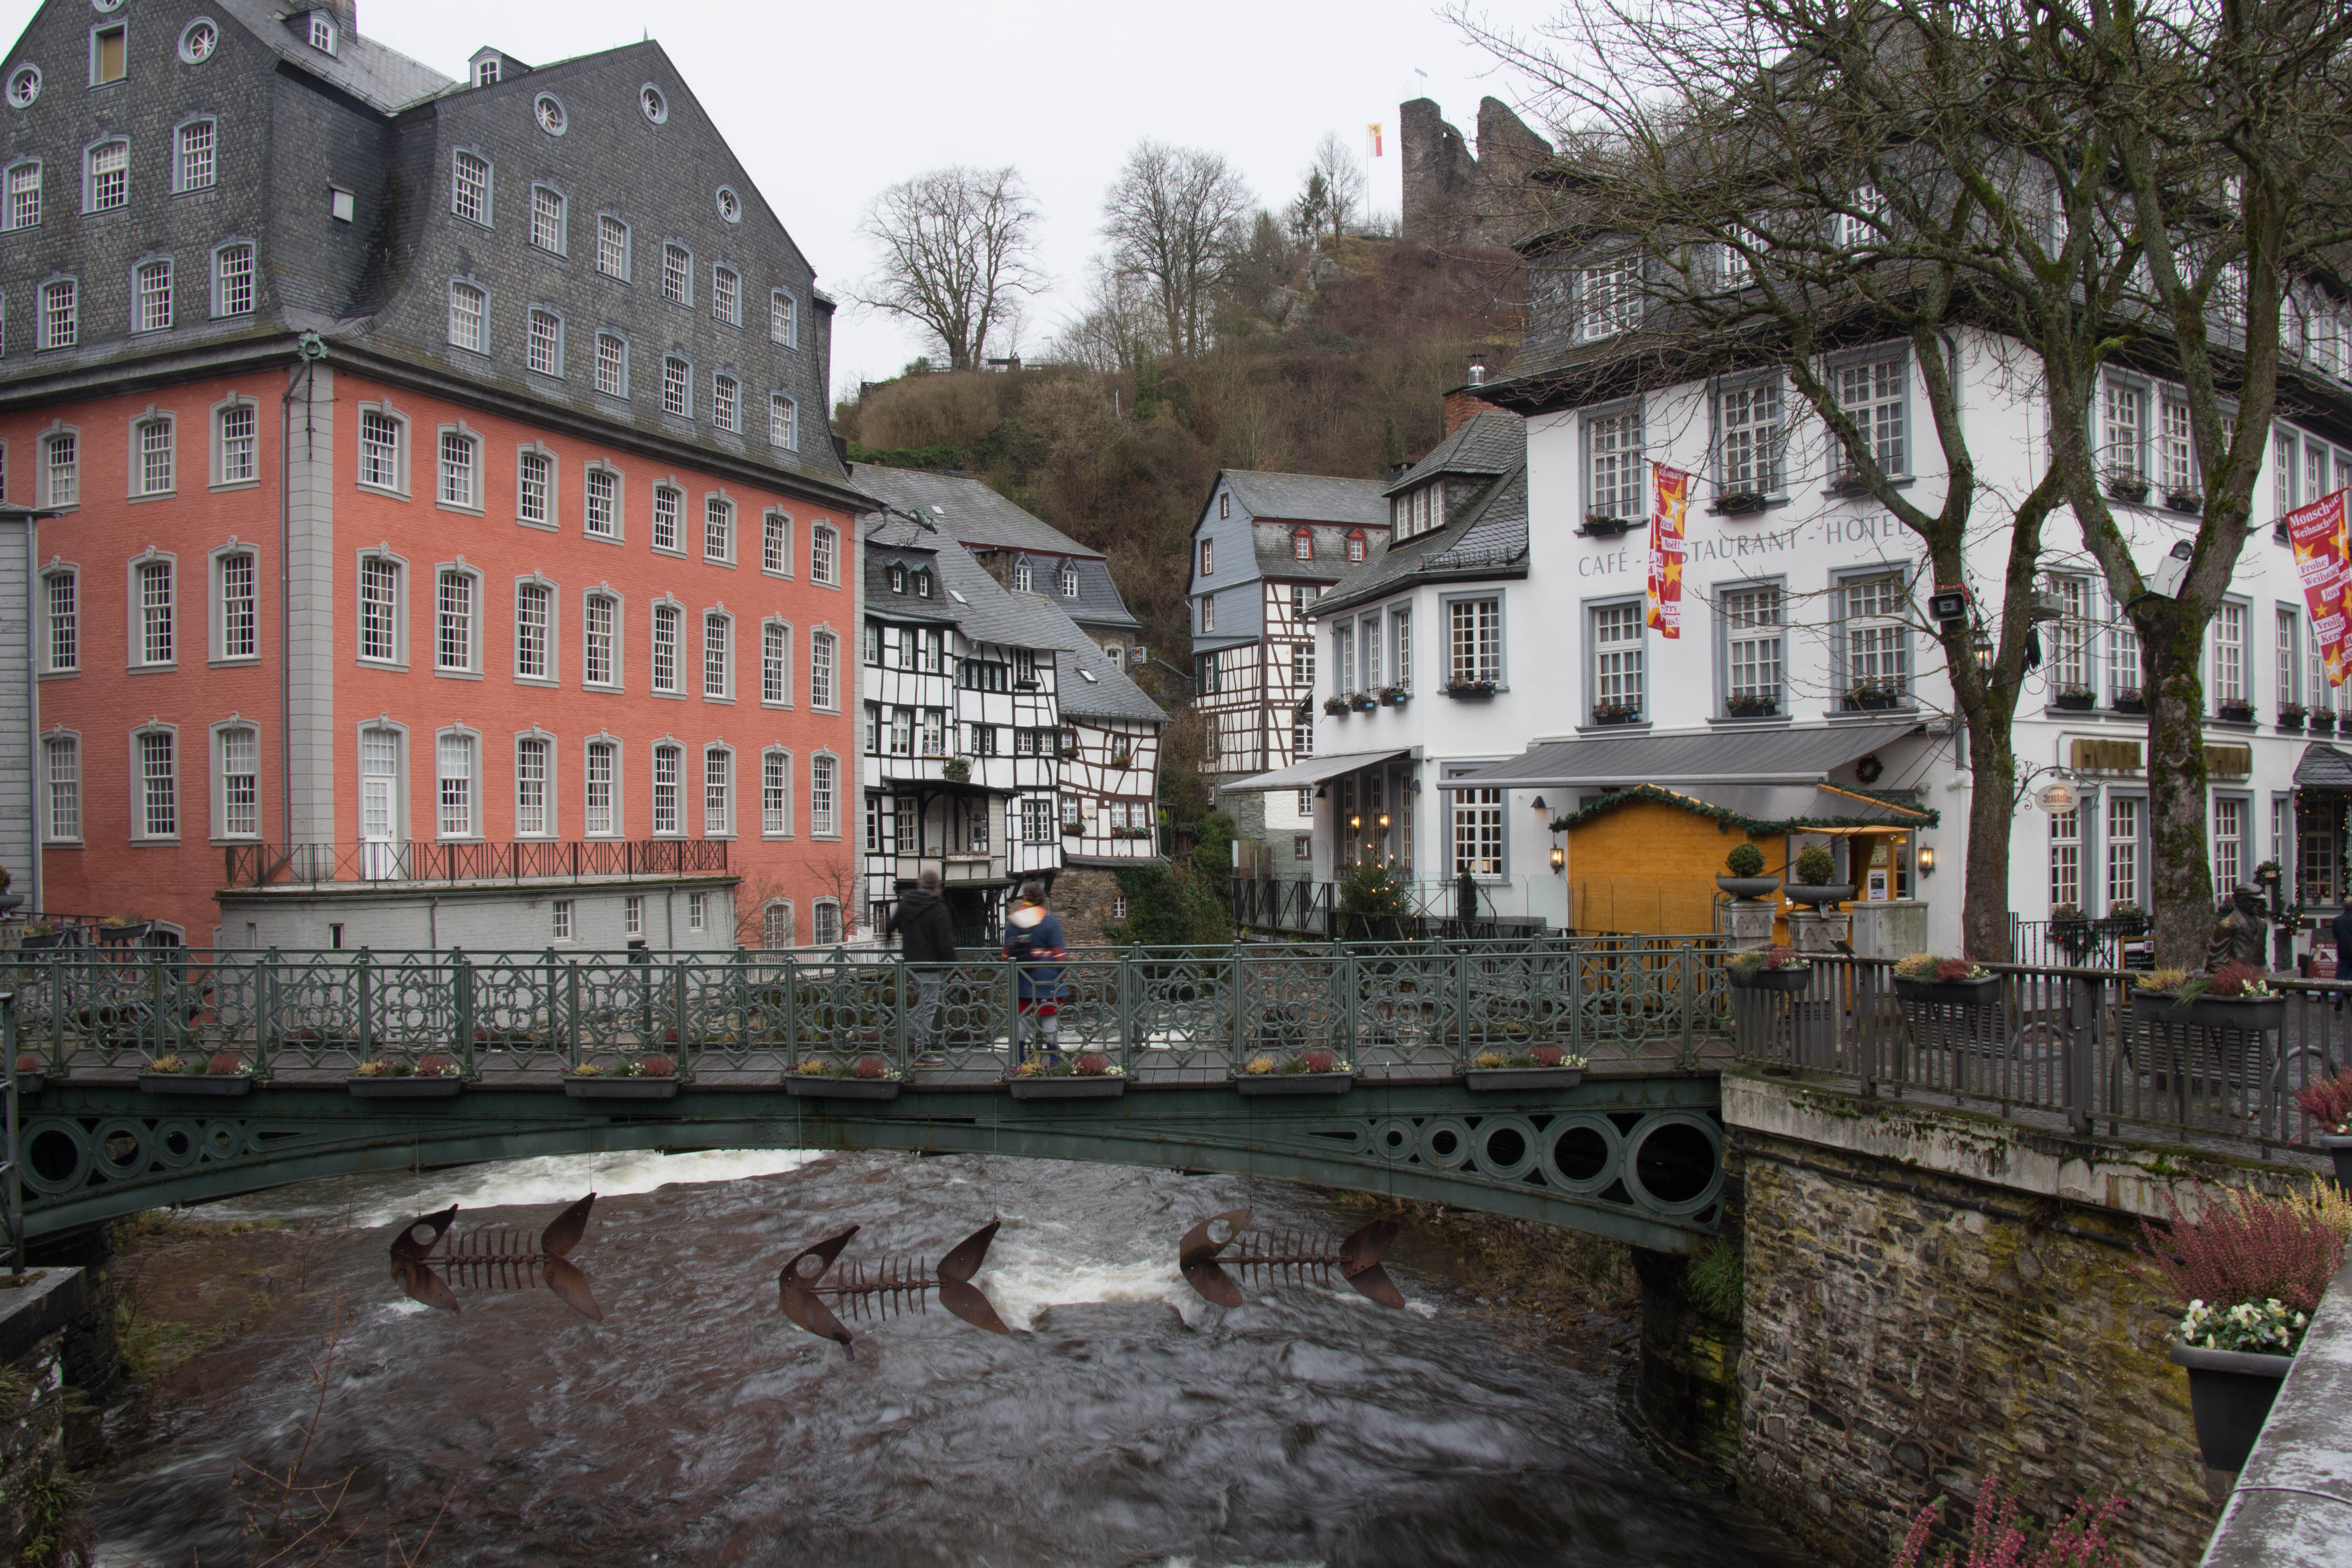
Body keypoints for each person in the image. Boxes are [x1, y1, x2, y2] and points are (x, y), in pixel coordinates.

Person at [886, 869, 957, 1057]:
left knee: (922, 1005)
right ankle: (922, 1051)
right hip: (930, 965)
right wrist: (953, 967)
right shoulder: (937, 908)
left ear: (919, 884)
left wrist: (889, 940)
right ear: (937, 887)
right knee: (929, 1007)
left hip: (911, 964)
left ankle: (904, 1038)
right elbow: (945, 943)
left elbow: (891, 927)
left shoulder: (907, 903)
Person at [1002, 879, 1068, 1063]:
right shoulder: (1049, 921)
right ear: (1042, 899)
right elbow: (1059, 954)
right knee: (1049, 1013)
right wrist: (1063, 975)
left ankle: (1019, 1059)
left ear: (1025, 898)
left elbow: (1006, 955)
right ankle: (1054, 1060)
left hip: (1023, 975)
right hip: (1048, 976)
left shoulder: (1012, 923)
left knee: (1023, 1015)